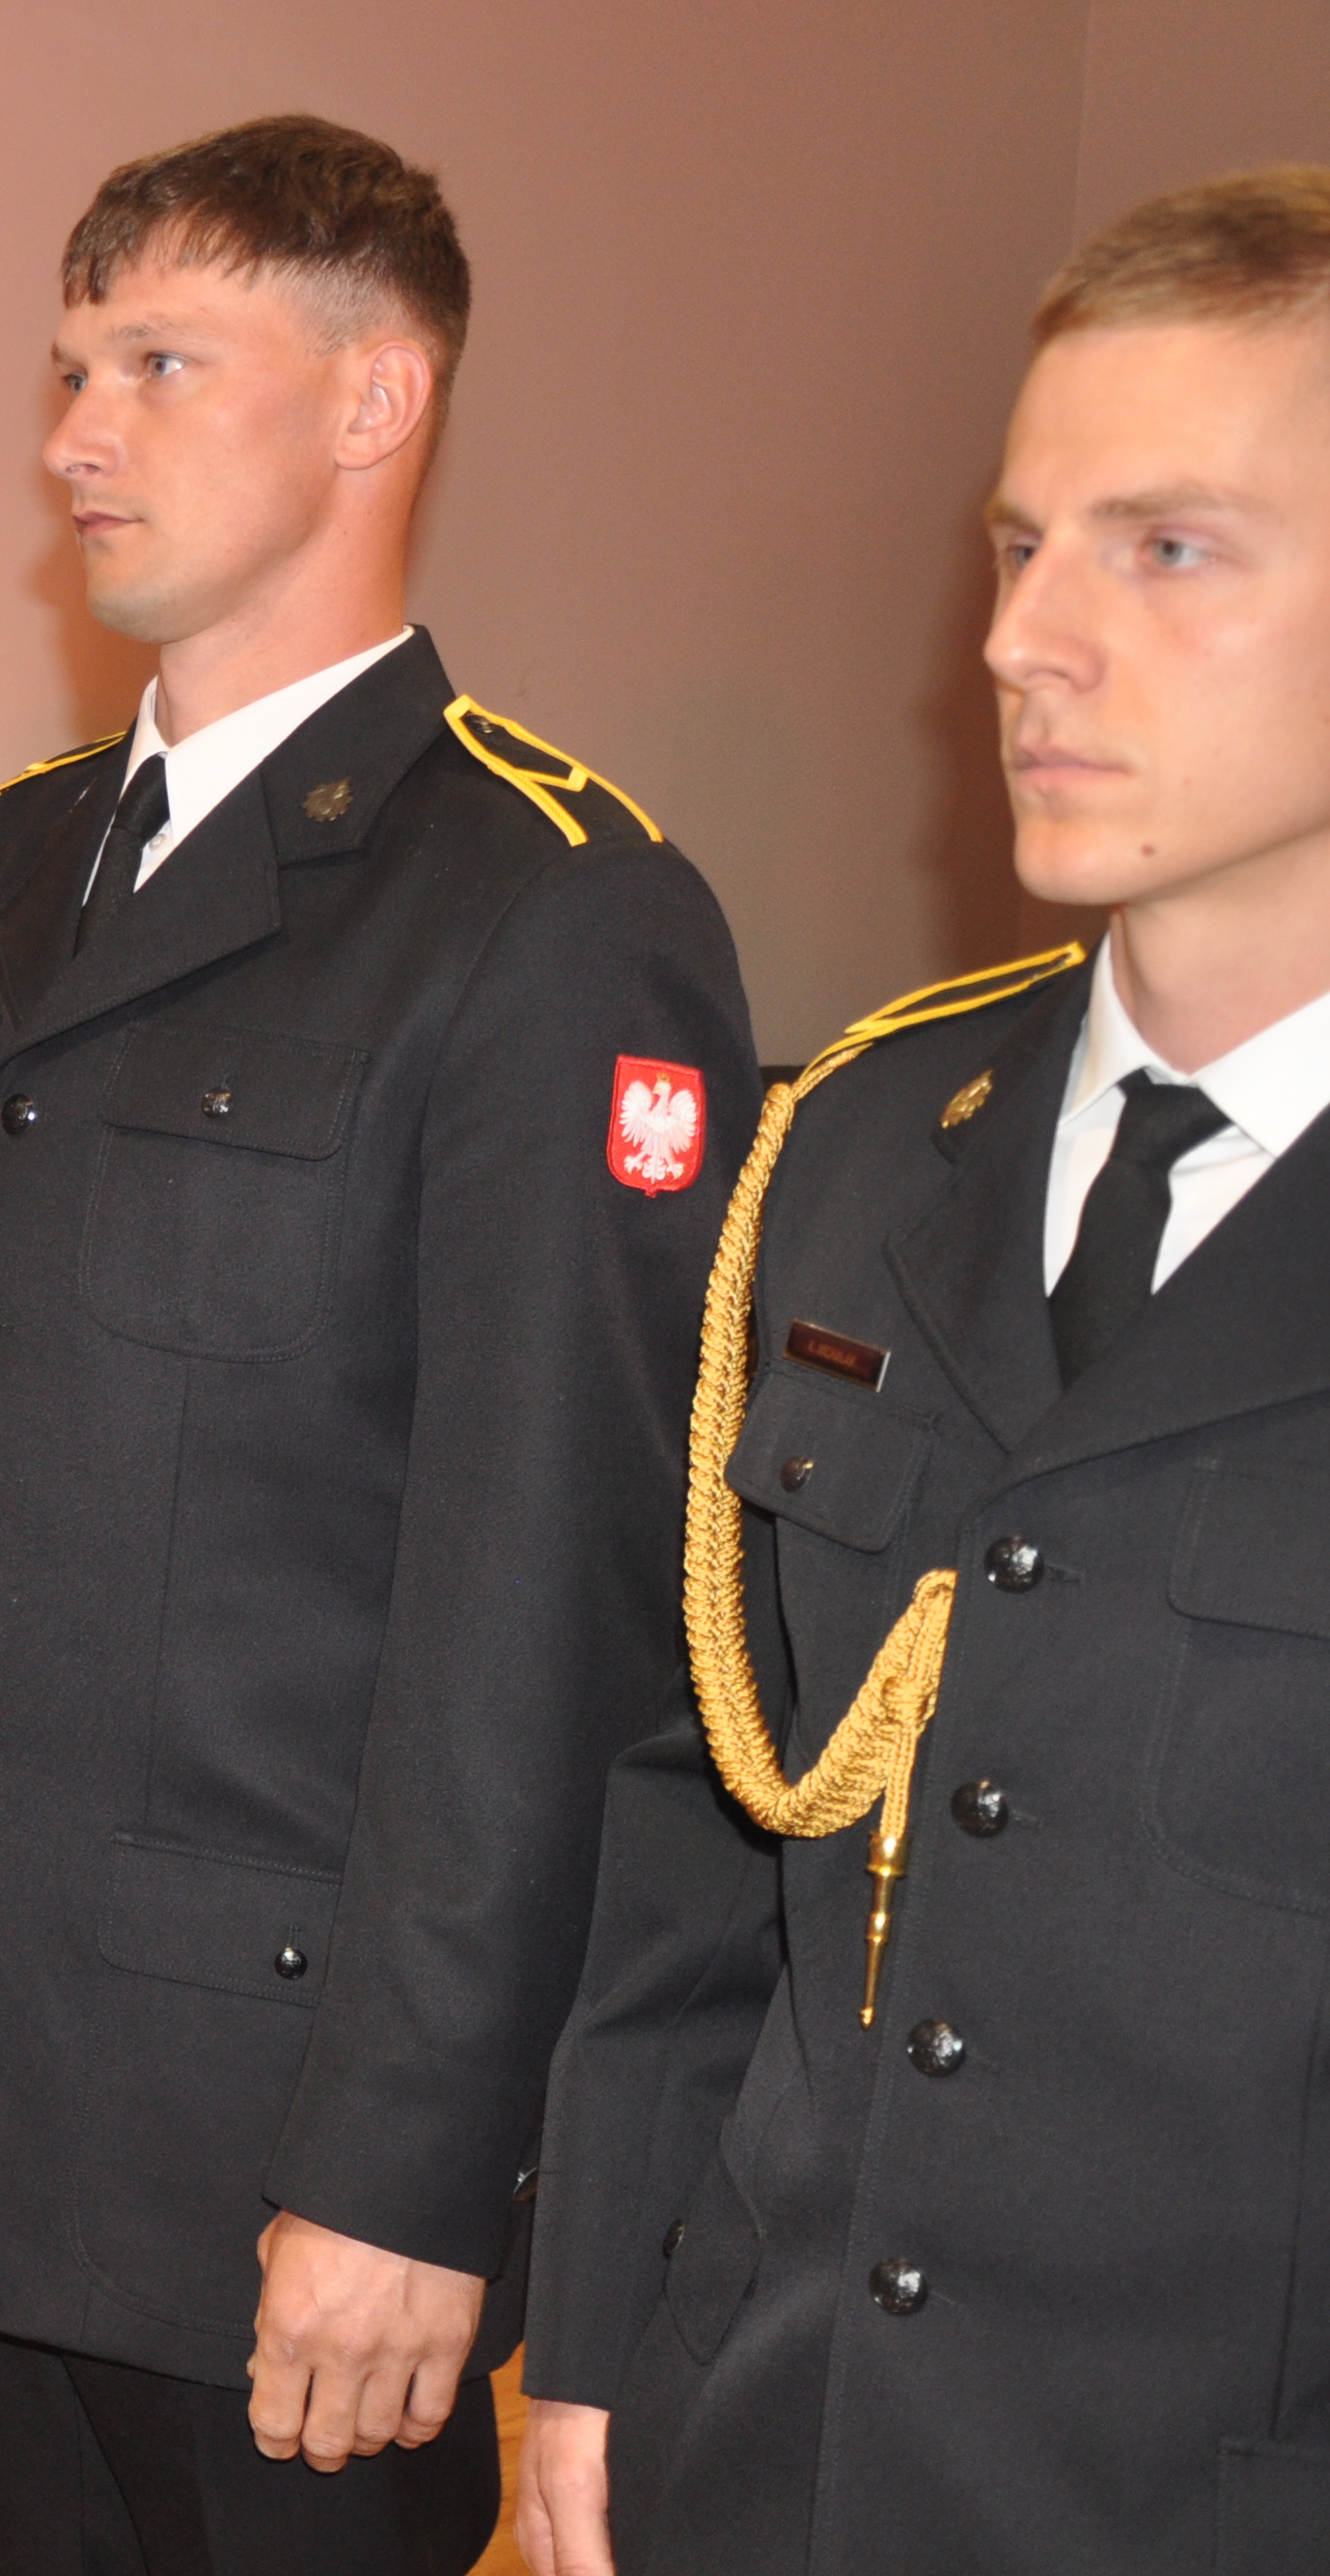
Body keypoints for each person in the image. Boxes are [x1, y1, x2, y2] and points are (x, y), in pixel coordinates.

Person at [0, 118, 758, 2576]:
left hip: (263, 2125)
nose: (75, 433)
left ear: (372, 401)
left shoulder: (543, 907)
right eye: (69, 369)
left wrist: (405, 2164)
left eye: (158, 365)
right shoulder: (16, 859)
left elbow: (540, 1620)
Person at [516, 167, 1330, 2576]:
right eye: (1015, 544)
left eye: (1164, 548)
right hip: (762, 2451)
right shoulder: (866, 1130)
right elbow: (710, 1788)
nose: (1019, 640)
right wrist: (594, 2338)